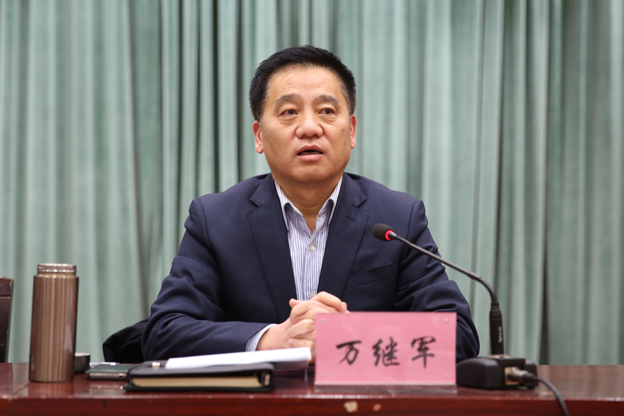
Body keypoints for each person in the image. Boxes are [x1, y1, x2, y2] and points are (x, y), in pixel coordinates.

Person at [142, 45, 479, 361]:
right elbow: (164, 333)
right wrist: (272, 340)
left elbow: (458, 336)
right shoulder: (216, 220)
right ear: (259, 136)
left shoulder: (397, 219)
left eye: (326, 111)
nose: (308, 128)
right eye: (289, 112)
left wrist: (347, 337)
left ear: (352, 130)